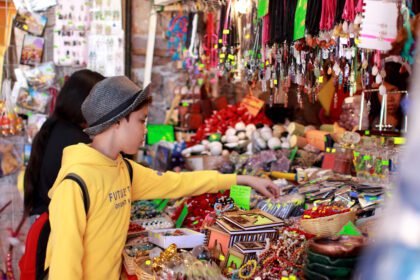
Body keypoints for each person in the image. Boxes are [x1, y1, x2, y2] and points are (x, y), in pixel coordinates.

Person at [44, 76, 280, 279]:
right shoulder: (75, 184)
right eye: (141, 120)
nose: (146, 129)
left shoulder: (123, 169)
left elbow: (176, 183)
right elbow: (65, 267)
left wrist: (240, 179)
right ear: (116, 122)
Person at [23, 70, 105, 218]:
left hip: (46, 219)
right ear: (84, 103)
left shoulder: (57, 126)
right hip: (57, 228)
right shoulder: (76, 142)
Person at [369, 61, 410, 132]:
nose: (389, 98)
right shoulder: (368, 121)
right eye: (383, 91)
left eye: (394, 91)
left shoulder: (414, 123)